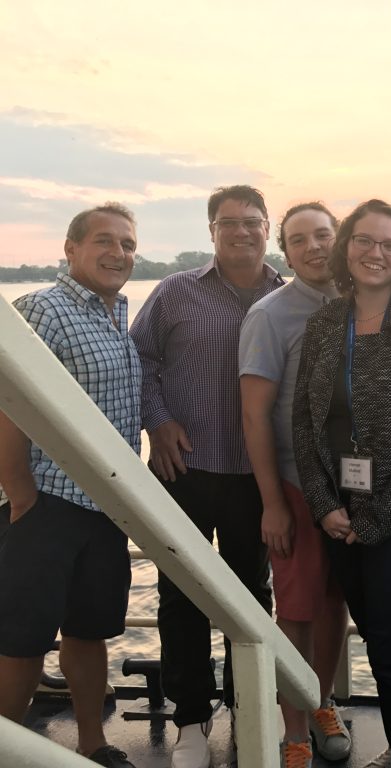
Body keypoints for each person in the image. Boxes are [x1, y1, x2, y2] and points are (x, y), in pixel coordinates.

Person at [292, 199, 391, 768]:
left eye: (388, 244)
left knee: (388, 644)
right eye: (364, 240)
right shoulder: (326, 323)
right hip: (340, 512)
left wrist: (374, 521)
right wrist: (321, 504)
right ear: (346, 248)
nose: (375, 253)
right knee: (378, 635)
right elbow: (303, 422)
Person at [130, 185, 283, 768]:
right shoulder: (174, 292)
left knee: (251, 599)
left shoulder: (288, 297)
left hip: (254, 478)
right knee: (179, 595)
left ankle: (249, 707)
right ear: (211, 230)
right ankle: (191, 716)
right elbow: (137, 356)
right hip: (182, 471)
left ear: (267, 227)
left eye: (252, 221)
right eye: (228, 223)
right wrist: (158, 419)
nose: (241, 231)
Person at [0, 204, 141, 768]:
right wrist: (20, 490)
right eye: (104, 241)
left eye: (128, 244)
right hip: (48, 502)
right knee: (22, 639)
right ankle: (9, 747)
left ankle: (93, 744)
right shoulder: (42, 309)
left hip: (106, 506)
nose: (118, 253)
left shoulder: (116, 309)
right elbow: (8, 402)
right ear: (71, 248)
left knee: (89, 630)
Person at [239, 202, 351, 768]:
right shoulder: (270, 315)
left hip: (354, 489)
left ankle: (324, 700)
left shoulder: (360, 301)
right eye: (300, 239)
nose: (314, 247)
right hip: (297, 487)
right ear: (285, 251)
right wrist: (272, 503)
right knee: (298, 609)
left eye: (323, 234)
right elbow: (256, 415)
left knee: (334, 605)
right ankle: (295, 729)